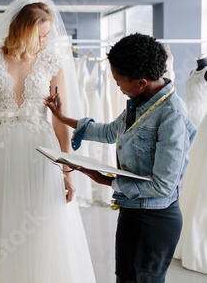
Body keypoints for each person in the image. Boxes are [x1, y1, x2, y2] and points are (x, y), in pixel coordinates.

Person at [0, 0, 96, 283]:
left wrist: (67, 170)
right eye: (40, 35)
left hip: (41, 156)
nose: (45, 42)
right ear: (22, 29)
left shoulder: (52, 62)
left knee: (42, 225)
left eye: (48, 35)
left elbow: (60, 120)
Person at [45, 33, 197, 283]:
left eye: (119, 82)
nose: (117, 86)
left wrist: (105, 180)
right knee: (124, 278)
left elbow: (163, 186)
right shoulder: (139, 103)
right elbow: (108, 131)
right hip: (131, 210)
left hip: (157, 220)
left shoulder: (172, 116)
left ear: (141, 82)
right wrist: (63, 118)